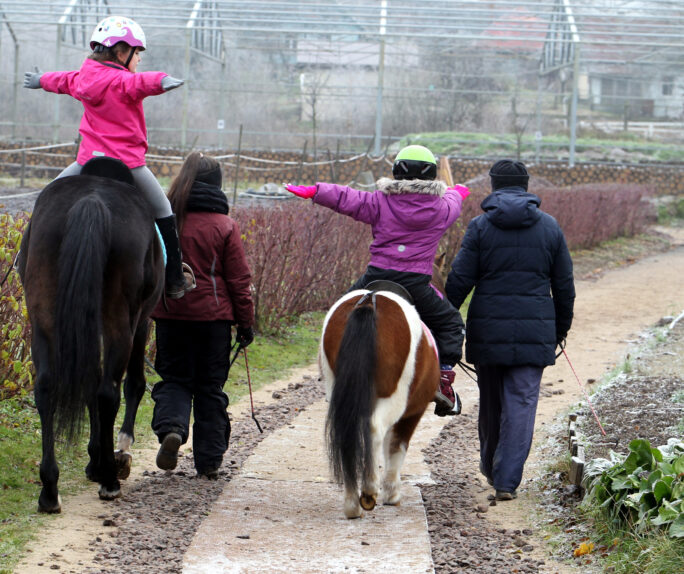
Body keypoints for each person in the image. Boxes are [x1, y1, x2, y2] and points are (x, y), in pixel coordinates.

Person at [285, 144, 469, 416]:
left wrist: (316, 191)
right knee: (451, 323)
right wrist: (458, 193)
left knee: (338, 314)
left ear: (396, 172)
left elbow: (347, 198)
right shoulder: (443, 208)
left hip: (377, 275)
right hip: (417, 283)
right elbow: (454, 199)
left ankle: (331, 369)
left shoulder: (379, 201)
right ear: (431, 176)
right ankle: (443, 380)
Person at [23, 16, 193, 299]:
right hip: (129, 164)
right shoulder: (124, 82)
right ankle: (175, 278)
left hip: (86, 162)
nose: (138, 59)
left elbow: (62, 80)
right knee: (163, 209)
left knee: (47, 198)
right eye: (137, 53)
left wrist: (41, 80)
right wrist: (162, 80)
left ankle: (23, 258)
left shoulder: (83, 80)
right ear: (122, 51)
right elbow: (142, 84)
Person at [445, 159, 575, 501]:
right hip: (535, 332)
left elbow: (460, 280)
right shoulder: (550, 227)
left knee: (490, 403)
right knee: (522, 402)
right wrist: (559, 331)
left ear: (493, 186)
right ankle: (506, 480)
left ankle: (491, 467)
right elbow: (564, 286)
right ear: (526, 185)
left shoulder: (480, 227)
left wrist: (444, 321)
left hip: (487, 329)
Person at [150, 152, 255, 480]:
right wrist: (246, 323)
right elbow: (239, 280)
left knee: (174, 379)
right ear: (217, 185)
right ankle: (208, 460)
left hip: (171, 316)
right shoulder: (225, 225)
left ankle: (173, 430)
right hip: (214, 322)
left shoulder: (166, 223)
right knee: (210, 387)